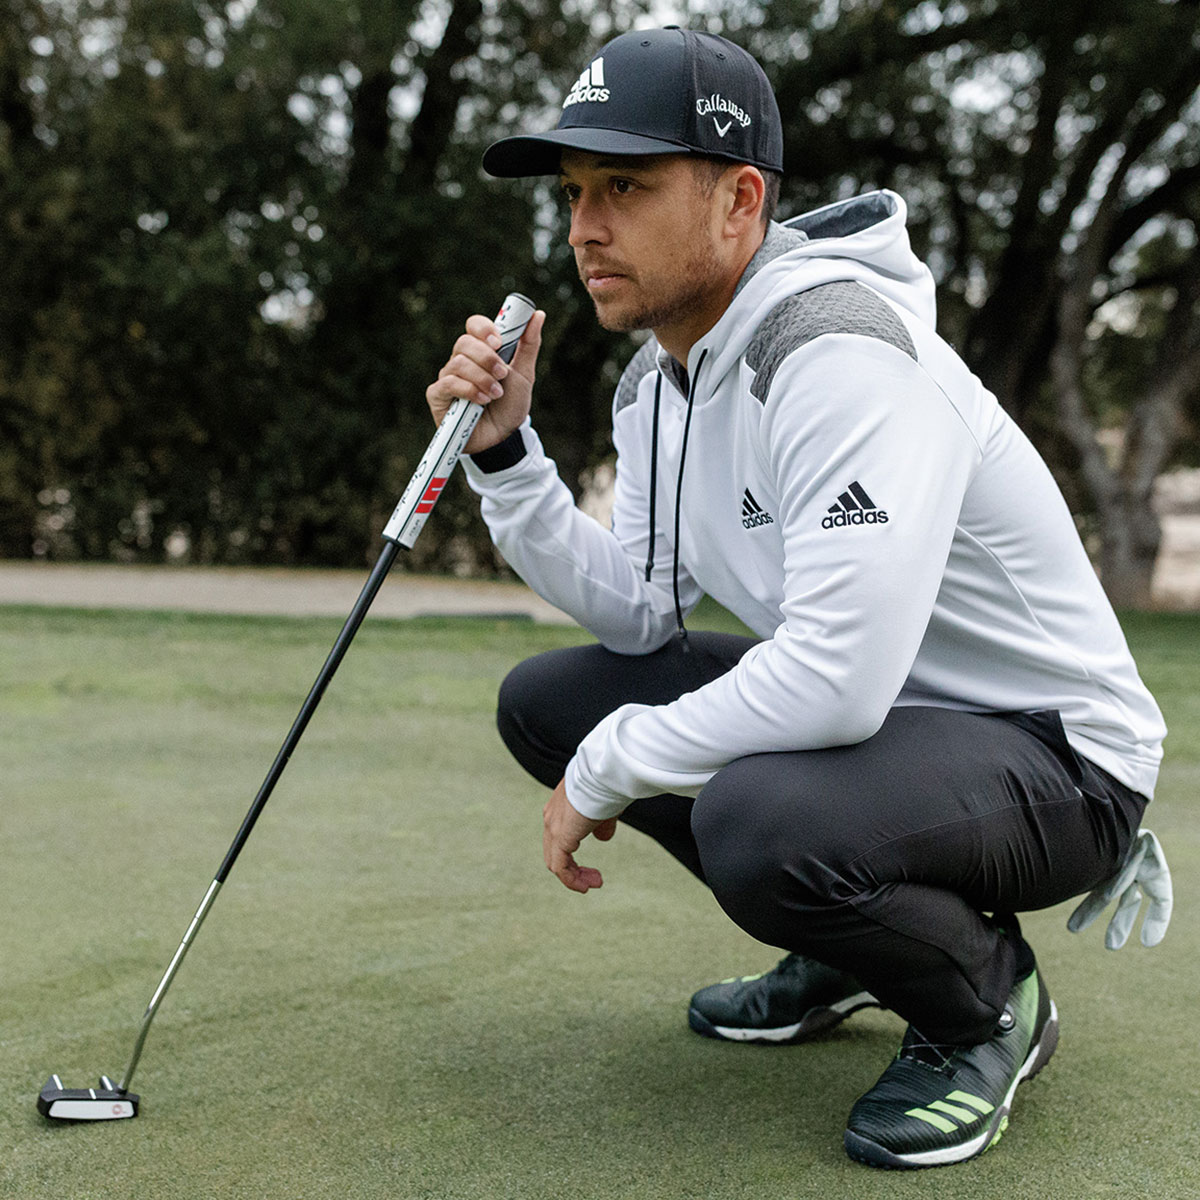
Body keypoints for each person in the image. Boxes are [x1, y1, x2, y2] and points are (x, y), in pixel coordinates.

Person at [424, 26, 1168, 1170]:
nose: (583, 226)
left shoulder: (839, 351)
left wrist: (617, 762)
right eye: (575, 192)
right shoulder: (659, 380)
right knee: (551, 702)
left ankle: (983, 1008)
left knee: (757, 820)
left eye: (625, 185)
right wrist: (507, 454)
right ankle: (859, 948)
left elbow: (834, 677)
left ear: (740, 201)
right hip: (897, 737)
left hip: (1057, 758)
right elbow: (639, 612)